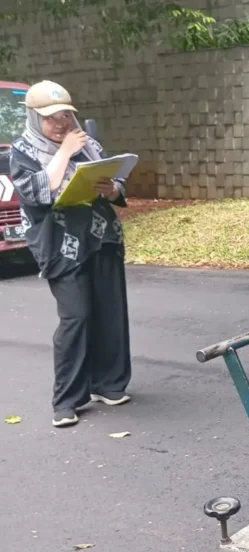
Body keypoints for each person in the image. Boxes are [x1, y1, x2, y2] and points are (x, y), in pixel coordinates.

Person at [10, 80, 131, 428]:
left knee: (109, 311)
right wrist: (63, 152)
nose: (61, 123)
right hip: (59, 245)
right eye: (51, 118)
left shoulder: (87, 141)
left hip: (101, 237)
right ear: (35, 118)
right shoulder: (24, 151)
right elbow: (36, 193)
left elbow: (116, 182)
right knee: (76, 316)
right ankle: (66, 399)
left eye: (65, 115)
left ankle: (108, 383)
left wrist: (111, 189)